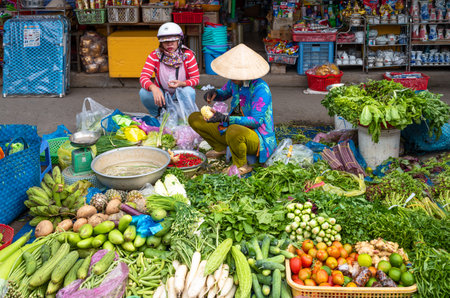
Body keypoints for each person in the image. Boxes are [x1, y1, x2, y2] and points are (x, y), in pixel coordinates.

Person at [188, 44, 277, 175]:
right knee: (195, 118)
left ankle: (242, 165)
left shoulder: (261, 89)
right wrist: (214, 94)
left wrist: (225, 118)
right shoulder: (235, 82)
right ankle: (221, 148)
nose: (232, 78)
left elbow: (256, 121)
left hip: (257, 137)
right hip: (231, 128)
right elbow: (224, 92)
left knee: (233, 129)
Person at [139, 22, 200, 118]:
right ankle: (157, 115)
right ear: (161, 42)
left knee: (189, 91)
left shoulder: (188, 55)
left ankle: (182, 115)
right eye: (165, 41)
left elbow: (196, 79)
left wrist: (181, 84)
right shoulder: (154, 55)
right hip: (162, 94)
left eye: (173, 40)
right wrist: (153, 88)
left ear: (179, 41)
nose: (169, 44)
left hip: (180, 93)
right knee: (144, 93)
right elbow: (143, 77)